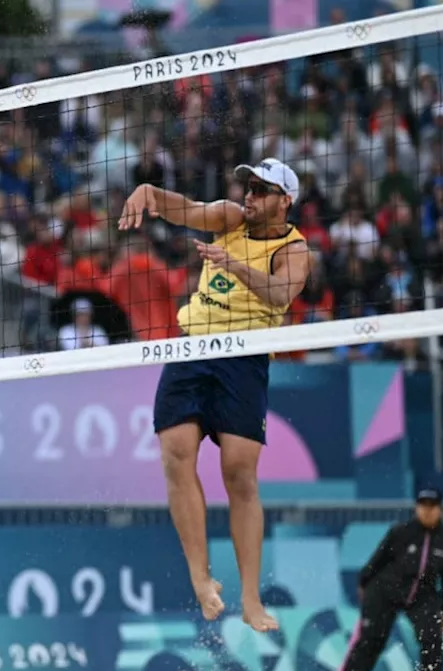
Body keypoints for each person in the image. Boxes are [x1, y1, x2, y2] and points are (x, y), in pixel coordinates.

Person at [117, 158, 310, 632]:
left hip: (245, 358)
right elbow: (186, 210)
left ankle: (249, 597)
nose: (251, 194)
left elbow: (281, 296)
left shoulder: (294, 248)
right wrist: (151, 194)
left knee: (239, 475)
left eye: (263, 190)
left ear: (285, 201)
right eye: (249, 185)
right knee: (175, 453)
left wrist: (235, 265)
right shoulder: (230, 217)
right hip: (195, 345)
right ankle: (200, 579)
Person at [333, 488, 443, 671]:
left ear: (440, 509)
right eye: (422, 505)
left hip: (423, 595)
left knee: (432, 637)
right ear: (416, 508)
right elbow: (378, 559)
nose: (427, 511)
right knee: (371, 640)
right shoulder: (401, 532)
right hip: (385, 592)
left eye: (432, 506)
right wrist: (364, 582)